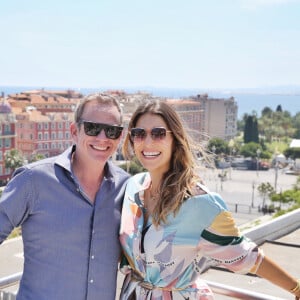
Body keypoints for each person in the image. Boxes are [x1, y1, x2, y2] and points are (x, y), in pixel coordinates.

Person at [119, 99, 300, 300]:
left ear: (175, 139)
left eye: (158, 133)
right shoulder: (133, 187)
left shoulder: (199, 202)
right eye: (139, 133)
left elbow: (247, 256)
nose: (148, 142)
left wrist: (296, 289)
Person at [0, 93, 130, 300]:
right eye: (93, 128)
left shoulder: (127, 188)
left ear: (120, 137)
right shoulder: (33, 180)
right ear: (74, 131)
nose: (103, 138)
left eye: (112, 131)